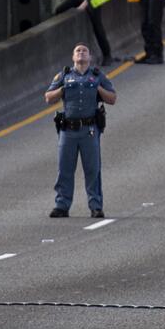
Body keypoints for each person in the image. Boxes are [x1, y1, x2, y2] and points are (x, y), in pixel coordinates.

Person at [43, 43, 117, 218]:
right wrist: (62, 89)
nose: (81, 53)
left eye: (84, 51)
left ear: (89, 57)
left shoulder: (97, 76)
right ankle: (61, 205)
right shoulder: (64, 75)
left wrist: (98, 88)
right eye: (78, 51)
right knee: (65, 168)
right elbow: (48, 98)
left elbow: (112, 98)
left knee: (92, 169)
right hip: (68, 130)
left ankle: (96, 206)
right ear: (73, 57)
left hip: (89, 130)